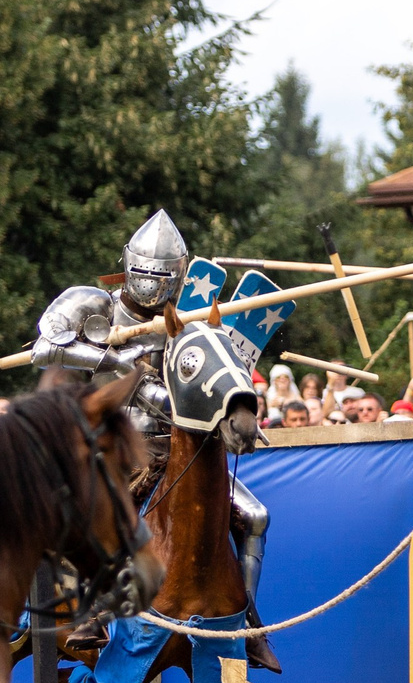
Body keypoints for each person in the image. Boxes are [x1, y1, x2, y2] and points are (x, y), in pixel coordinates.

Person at [25, 209, 272, 650]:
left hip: (169, 447)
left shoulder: (187, 322)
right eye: (144, 273)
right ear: (128, 264)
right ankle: (91, 612)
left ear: (177, 277)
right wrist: (115, 361)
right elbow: (45, 345)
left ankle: (247, 618)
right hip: (112, 446)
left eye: (162, 276)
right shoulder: (96, 304)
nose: (152, 284)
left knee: (254, 517)